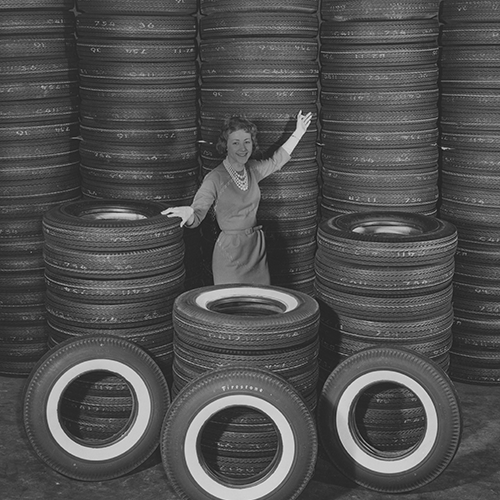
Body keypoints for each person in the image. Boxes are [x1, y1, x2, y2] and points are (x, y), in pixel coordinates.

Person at [162, 110, 313, 285]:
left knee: (260, 306)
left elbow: (276, 161)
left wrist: (299, 132)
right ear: (226, 145)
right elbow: (197, 216)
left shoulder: (253, 169)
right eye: (236, 142)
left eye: (247, 142)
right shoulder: (214, 178)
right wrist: (189, 214)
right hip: (230, 253)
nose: (243, 148)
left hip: (256, 248)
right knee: (232, 307)